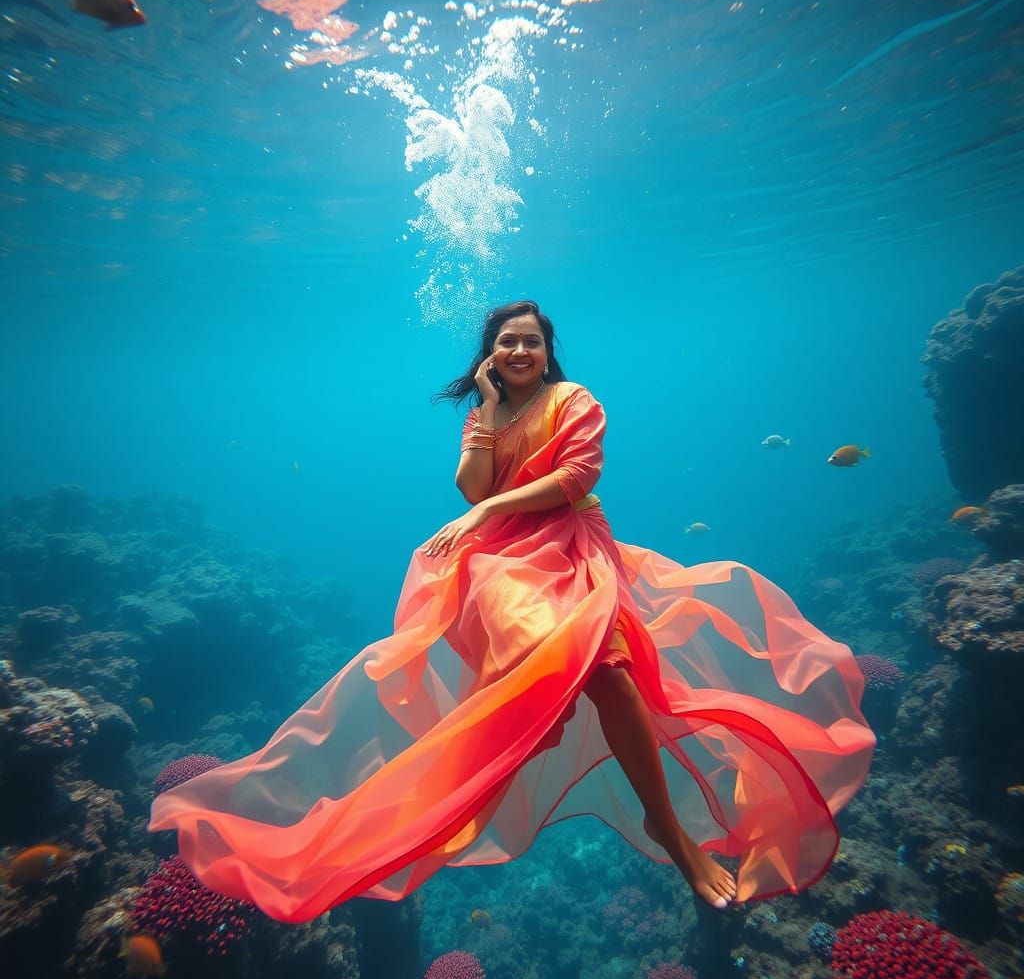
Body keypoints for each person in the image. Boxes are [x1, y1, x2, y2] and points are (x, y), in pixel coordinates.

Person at [149, 300, 875, 923]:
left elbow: (575, 478)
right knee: (544, 671)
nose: (520, 350)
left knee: (611, 674)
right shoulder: (484, 414)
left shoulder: (575, 400)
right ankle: (443, 792)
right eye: (507, 342)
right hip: (500, 562)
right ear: (491, 356)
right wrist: (489, 414)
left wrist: (489, 507)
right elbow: (471, 489)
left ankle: (669, 828)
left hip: (574, 543)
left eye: (531, 340)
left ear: (548, 351)